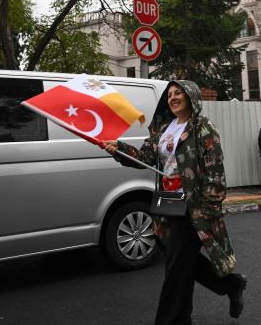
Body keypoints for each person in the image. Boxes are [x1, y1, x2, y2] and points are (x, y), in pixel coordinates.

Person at [101, 81, 247, 323]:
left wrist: (210, 206)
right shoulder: (163, 128)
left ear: (191, 97)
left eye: (178, 93)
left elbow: (215, 168)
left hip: (194, 205)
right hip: (167, 201)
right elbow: (146, 157)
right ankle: (231, 284)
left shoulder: (202, 127)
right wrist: (120, 149)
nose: (173, 98)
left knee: (177, 268)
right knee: (175, 254)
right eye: (169, 95)